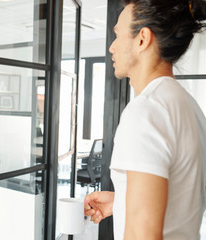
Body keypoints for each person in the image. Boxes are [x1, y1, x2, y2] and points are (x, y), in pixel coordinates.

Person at [84, 0, 206, 239]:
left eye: (118, 35)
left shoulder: (146, 112)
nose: (112, 47)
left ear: (142, 39)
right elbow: (181, 199)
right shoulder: (188, 105)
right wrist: (122, 204)